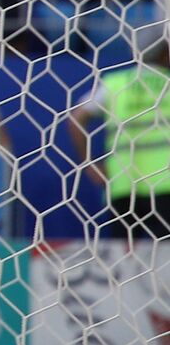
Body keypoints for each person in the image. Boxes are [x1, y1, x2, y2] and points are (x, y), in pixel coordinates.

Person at [68, 41, 170, 240]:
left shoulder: (116, 83)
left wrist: (89, 163)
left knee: (124, 256)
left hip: (123, 182)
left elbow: (76, 119)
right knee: (166, 257)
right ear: (165, 54)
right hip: (165, 183)